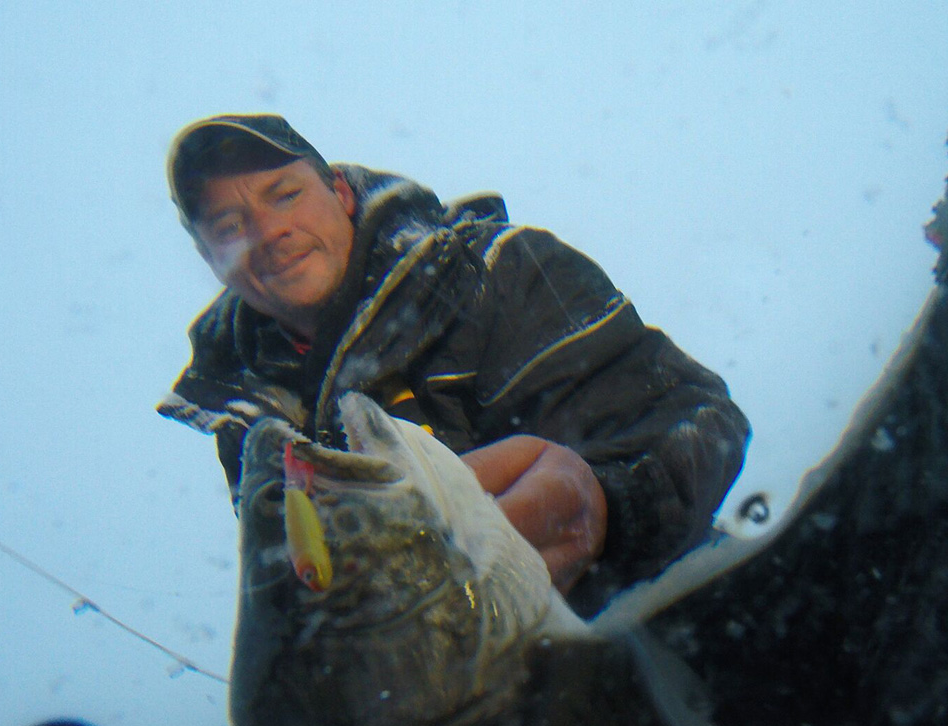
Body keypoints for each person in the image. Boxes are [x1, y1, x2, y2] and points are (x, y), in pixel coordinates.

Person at [157, 114, 750, 616]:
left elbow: (693, 420)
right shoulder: (249, 419)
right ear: (207, 256)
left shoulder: (497, 268)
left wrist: (605, 503)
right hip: (465, 710)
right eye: (228, 226)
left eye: (285, 194)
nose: (269, 232)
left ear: (340, 192)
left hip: (672, 621)